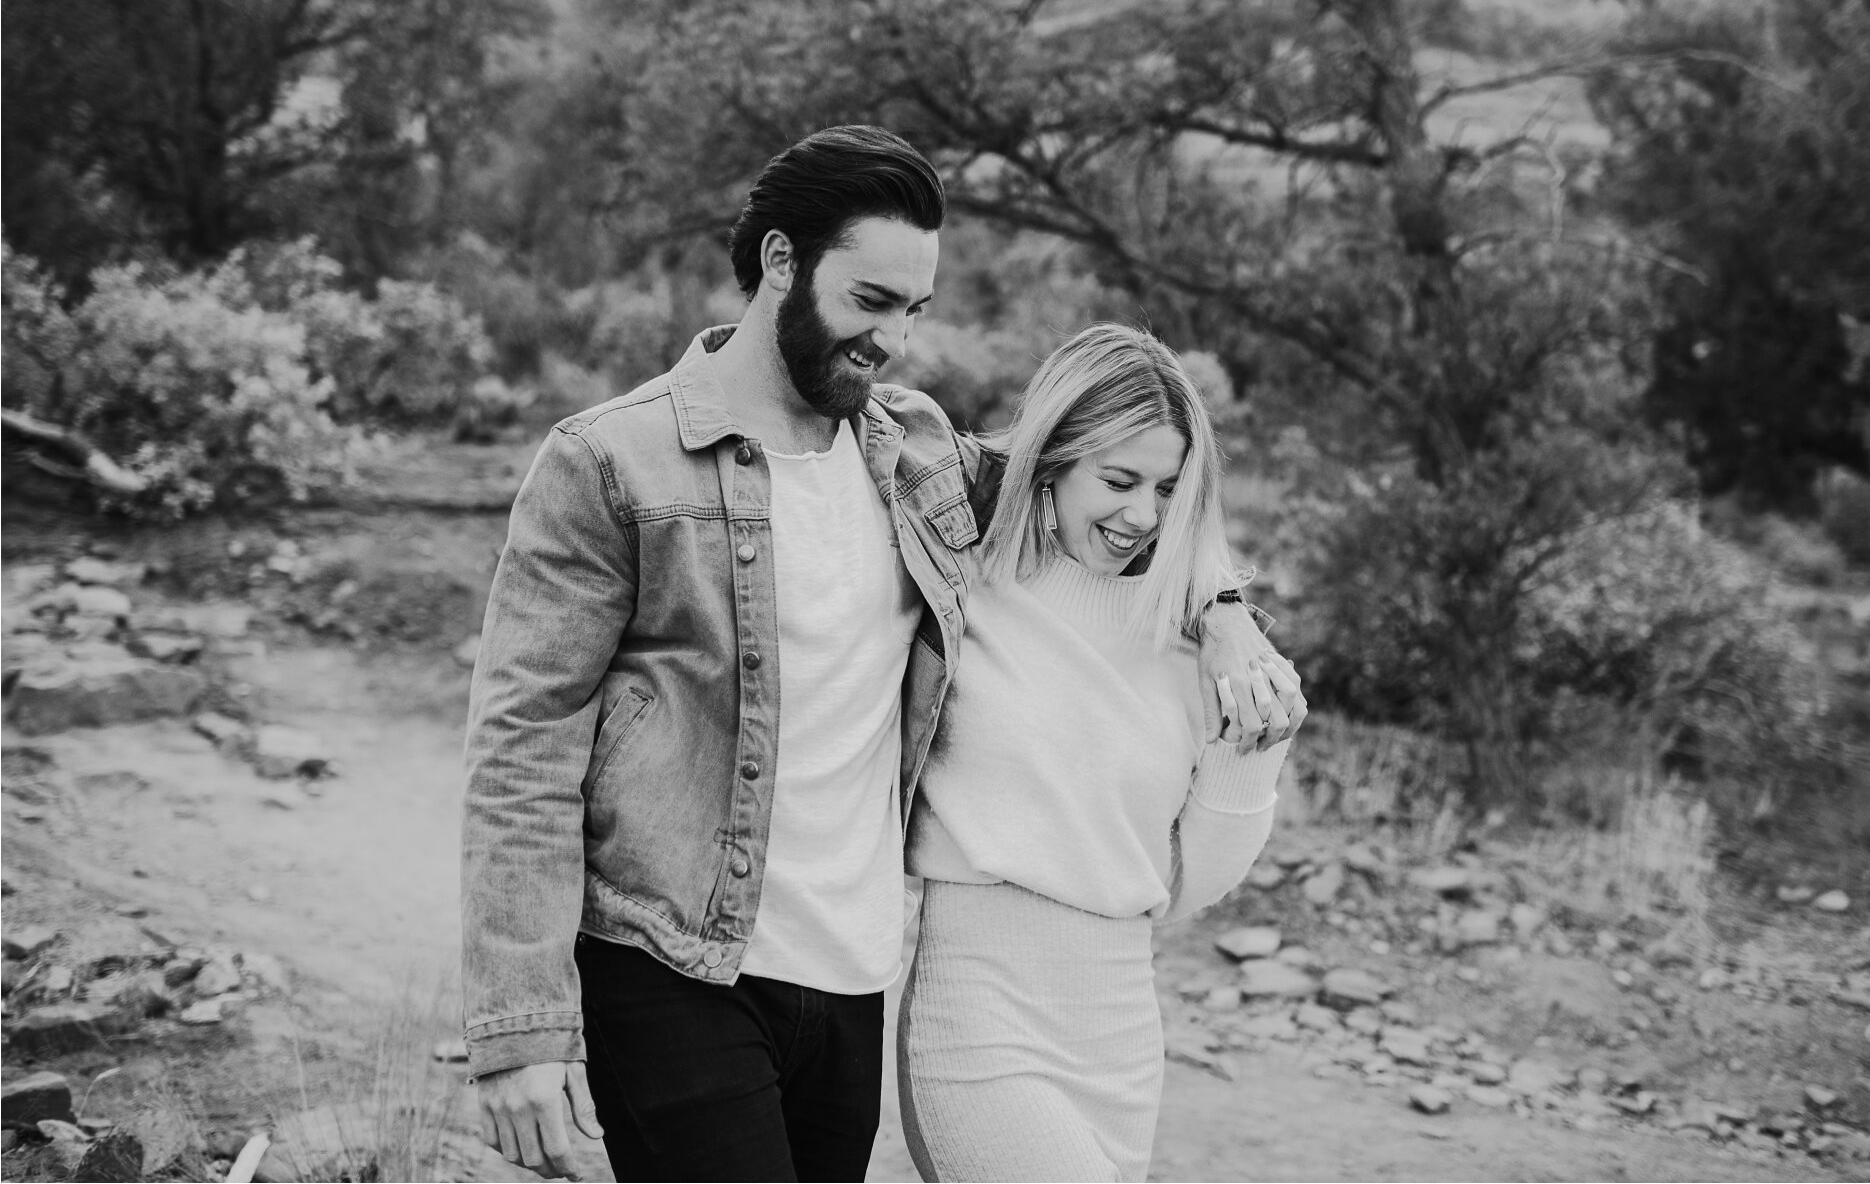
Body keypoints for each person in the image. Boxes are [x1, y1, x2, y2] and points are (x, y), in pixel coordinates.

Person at [460, 125, 1307, 1183]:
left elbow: (1115, 478)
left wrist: (1223, 607)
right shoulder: (610, 461)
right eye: (871, 301)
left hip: (851, 972)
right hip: (673, 961)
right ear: (780, 262)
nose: (894, 339)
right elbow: (520, 753)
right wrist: (521, 1032)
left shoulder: (913, 450)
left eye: (913, 310)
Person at [899, 323, 1296, 1183]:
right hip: (979, 1017)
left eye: (1166, 487)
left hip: (1120, 1034)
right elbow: (885, 425)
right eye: (1117, 480)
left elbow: (1189, 881)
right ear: (1052, 456)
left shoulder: (1194, 642)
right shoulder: (966, 578)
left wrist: (1250, 750)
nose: (1142, 515)